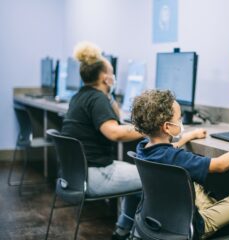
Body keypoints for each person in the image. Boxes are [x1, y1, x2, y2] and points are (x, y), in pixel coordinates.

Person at [131, 90, 229, 239]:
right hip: (192, 228)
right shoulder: (175, 157)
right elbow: (220, 165)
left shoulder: (143, 148)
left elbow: (169, 151)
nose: (181, 121)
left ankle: (212, 209)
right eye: (179, 118)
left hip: (158, 219)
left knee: (196, 186)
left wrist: (188, 136)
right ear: (167, 127)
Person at [61, 41, 143, 240]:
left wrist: (109, 93)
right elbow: (115, 133)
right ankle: (135, 233)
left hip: (74, 175)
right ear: (105, 77)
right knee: (151, 176)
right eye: (112, 73)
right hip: (95, 175)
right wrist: (149, 129)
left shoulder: (80, 96)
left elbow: (116, 114)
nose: (114, 77)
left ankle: (123, 229)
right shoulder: (97, 100)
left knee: (136, 172)